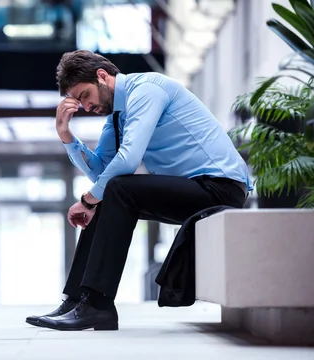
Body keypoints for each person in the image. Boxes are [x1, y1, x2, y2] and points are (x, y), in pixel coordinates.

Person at [25, 50, 251, 331]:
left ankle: (97, 304)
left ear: (102, 77)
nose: (85, 106)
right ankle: (78, 300)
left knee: (117, 189)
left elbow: (129, 160)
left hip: (220, 189)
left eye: (84, 96)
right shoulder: (118, 116)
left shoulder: (147, 90)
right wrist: (67, 137)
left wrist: (86, 200)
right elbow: (101, 173)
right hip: (195, 189)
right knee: (111, 192)